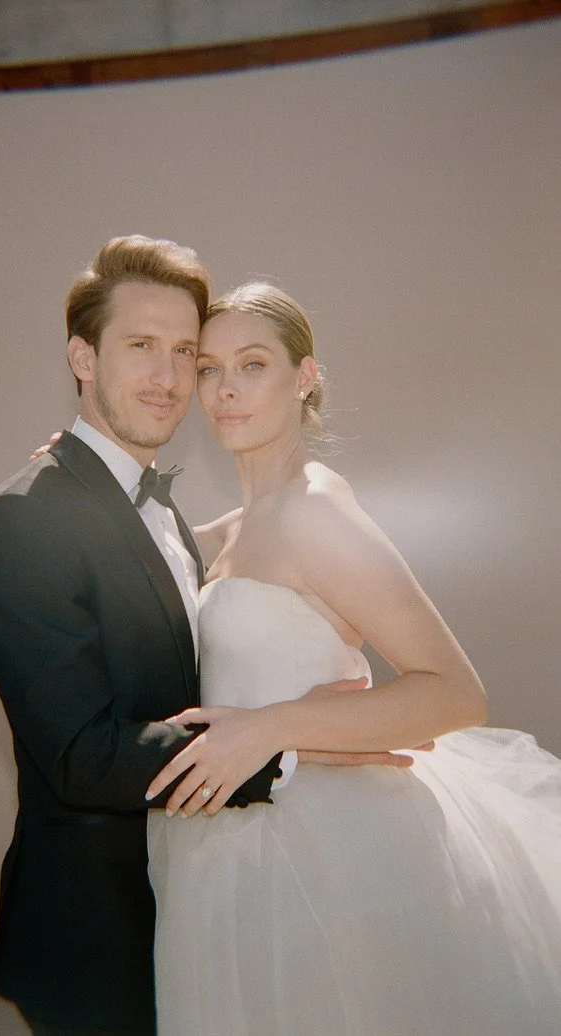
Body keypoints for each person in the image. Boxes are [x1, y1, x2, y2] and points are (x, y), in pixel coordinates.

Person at [0, 239, 392, 1034]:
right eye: (139, 347)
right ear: (81, 357)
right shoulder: (24, 520)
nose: (167, 378)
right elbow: (81, 760)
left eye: (184, 354)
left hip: (199, 906)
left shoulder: (163, 513)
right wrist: (290, 751)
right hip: (98, 937)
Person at [144, 282, 561, 1034]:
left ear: (303, 377)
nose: (225, 390)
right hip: (230, 837)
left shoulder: (314, 512)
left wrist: (271, 727)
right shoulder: (237, 525)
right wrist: (87, 473)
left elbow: (456, 695)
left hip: (327, 858)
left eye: (253, 364)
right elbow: (142, 536)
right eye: (207, 368)